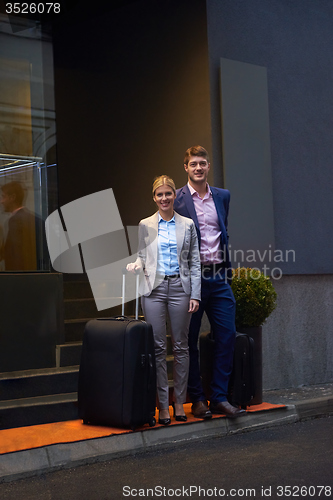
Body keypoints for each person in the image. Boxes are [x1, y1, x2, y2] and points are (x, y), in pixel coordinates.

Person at [174, 145, 246, 419]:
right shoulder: (177, 199)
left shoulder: (222, 196)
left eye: (202, 163)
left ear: (207, 166)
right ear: (186, 168)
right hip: (190, 281)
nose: (198, 168)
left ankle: (218, 397)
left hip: (218, 277)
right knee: (188, 340)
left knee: (227, 336)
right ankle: (197, 399)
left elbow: (222, 232)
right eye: (193, 164)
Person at [127, 175, 201, 425]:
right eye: (159, 194)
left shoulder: (187, 224)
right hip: (154, 290)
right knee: (158, 348)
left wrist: (195, 294)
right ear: (154, 198)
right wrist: (135, 264)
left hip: (181, 288)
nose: (164, 198)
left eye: (168, 193)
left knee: (180, 346)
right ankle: (163, 405)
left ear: (174, 195)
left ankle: (179, 401)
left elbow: (195, 262)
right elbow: (142, 255)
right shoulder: (145, 224)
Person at [0, 181, 37, 271]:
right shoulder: (31, 217)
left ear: (12, 197)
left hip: (17, 276)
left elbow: (15, 254)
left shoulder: (15, 220)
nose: (1, 201)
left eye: (3, 197)